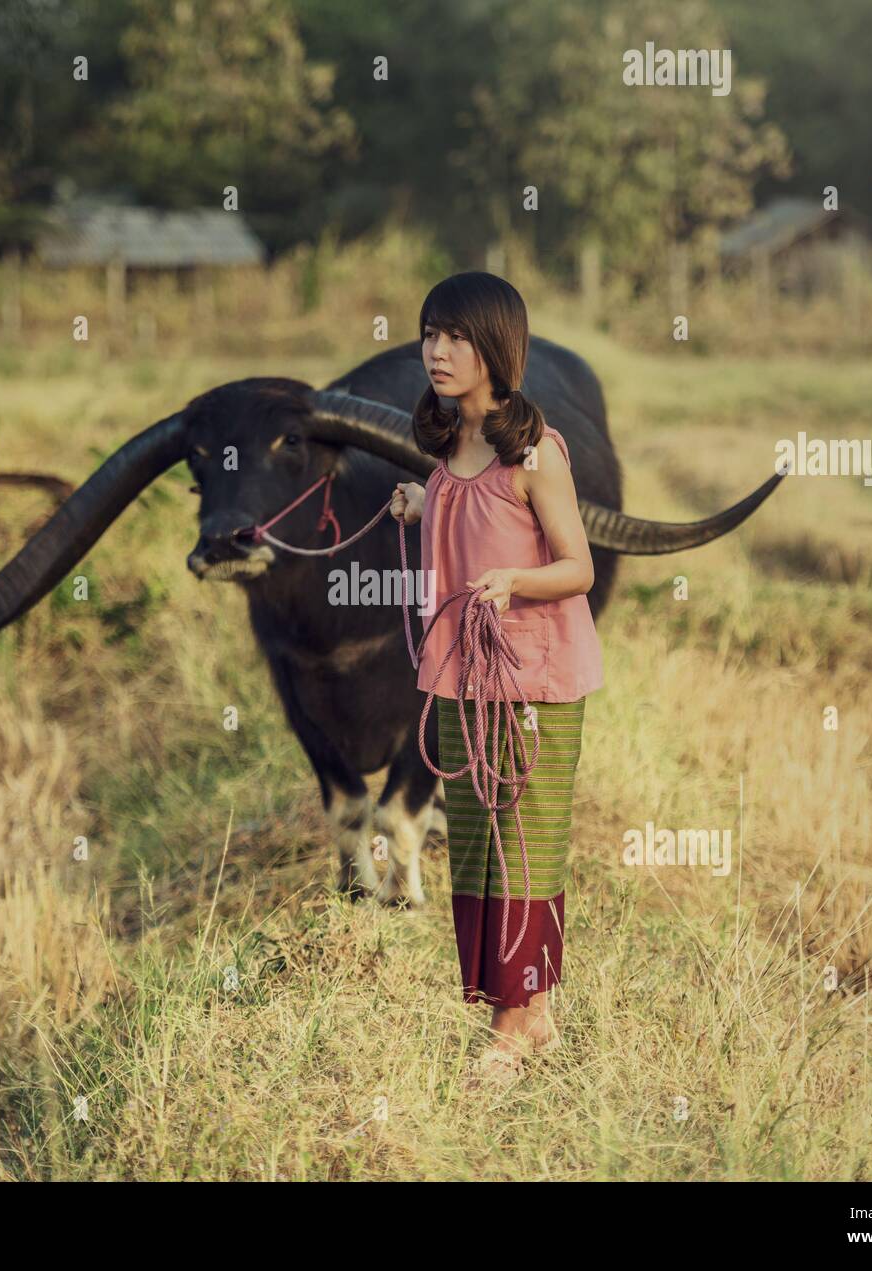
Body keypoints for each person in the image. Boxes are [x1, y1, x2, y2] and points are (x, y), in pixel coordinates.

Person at [390, 271, 604, 1087]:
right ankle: (527, 1011)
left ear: (495, 348)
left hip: (534, 678)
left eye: (455, 337)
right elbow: (466, 509)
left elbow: (578, 567)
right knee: (478, 845)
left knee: (524, 844)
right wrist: (422, 499)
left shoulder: (536, 451)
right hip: (463, 675)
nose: (437, 351)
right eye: (429, 334)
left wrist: (515, 582)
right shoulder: (451, 447)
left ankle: (513, 1030)